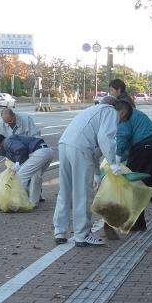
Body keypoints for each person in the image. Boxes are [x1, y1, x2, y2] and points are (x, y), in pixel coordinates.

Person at [54, 96, 120, 246]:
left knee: (65, 191)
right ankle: (82, 235)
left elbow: (95, 147)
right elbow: (105, 138)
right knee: (83, 193)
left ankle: (60, 231)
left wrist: (97, 172)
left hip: (64, 144)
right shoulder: (110, 111)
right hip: (81, 149)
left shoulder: (91, 111)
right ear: (115, 107)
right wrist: (113, 163)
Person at [112, 98, 152, 230]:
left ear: (121, 112)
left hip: (143, 149)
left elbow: (122, 138)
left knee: (134, 184)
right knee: (149, 183)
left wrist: (116, 161)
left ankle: (138, 224)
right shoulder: (135, 113)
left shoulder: (124, 118)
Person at [0, 131, 56, 205]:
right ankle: (33, 203)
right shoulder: (10, 141)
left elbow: (21, 149)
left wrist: (18, 164)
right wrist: (18, 164)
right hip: (47, 151)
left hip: (39, 153)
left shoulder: (7, 142)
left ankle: (18, 203)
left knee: (20, 176)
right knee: (35, 176)